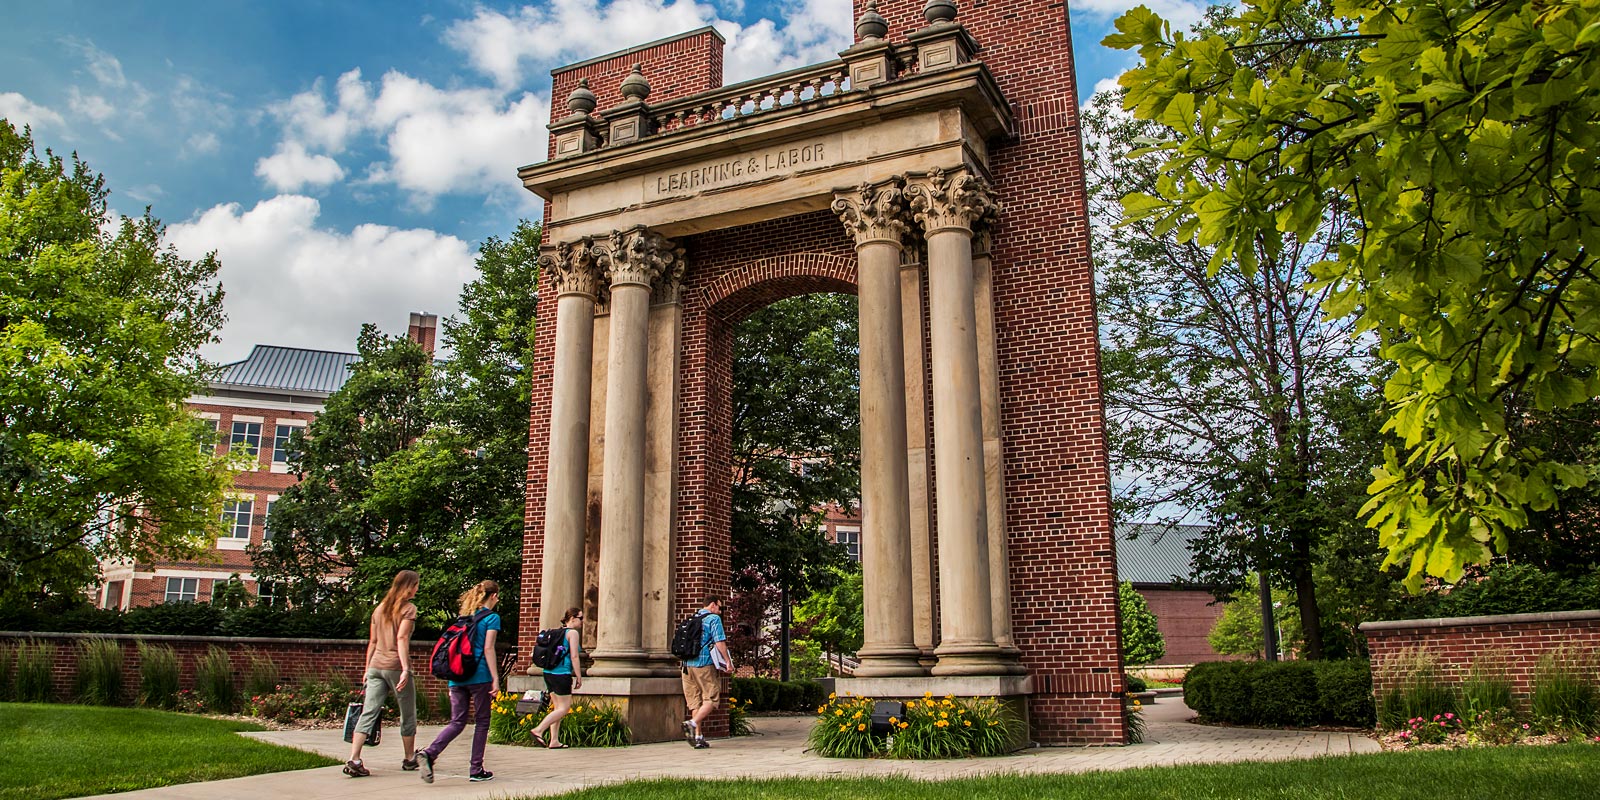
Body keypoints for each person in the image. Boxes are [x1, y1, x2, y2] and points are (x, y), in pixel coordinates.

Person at [416, 579, 501, 784]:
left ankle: (430, 753)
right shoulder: (492, 618)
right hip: (479, 675)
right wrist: (495, 678)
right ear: (493, 596)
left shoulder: (463, 618)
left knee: (457, 721)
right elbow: (488, 648)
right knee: (482, 722)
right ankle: (476, 769)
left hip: (456, 675)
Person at [344, 569, 421, 778]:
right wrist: (406, 669)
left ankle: (355, 758)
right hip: (395, 666)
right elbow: (402, 639)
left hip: (376, 665)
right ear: (408, 586)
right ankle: (408, 758)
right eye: (415, 585)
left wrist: (367, 669)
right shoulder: (408, 609)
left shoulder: (379, 609)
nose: (417, 588)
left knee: (369, 711)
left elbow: (373, 641)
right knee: (407, 713)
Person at [528, 607, 584, 749]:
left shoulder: (554, 632)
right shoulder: (572, 633)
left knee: (557, 707)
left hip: (548, 672)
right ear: (572, 618)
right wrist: (578, 675)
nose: (582, 622)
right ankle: (538, 730)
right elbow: (574, 656)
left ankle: (554, 741)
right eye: (580, 618)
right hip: (562, 674)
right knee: (564, 708)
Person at [680, 596, 732, 749]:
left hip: (687, 665)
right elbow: (719, 641)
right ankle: (692, 723)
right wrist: (727, 661)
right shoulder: (713, 619)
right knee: (711, 698)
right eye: (719, 607)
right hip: (704, 665)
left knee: (696, 702)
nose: (720, 611)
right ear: (712, 605)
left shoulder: (692, 618)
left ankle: (698, 737)